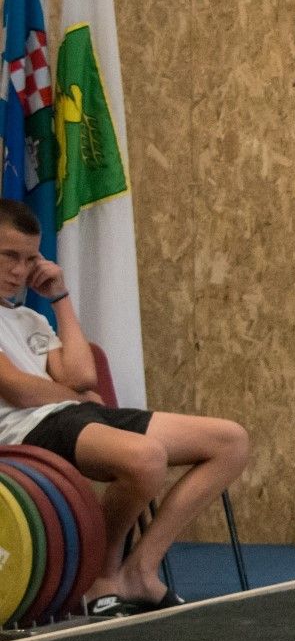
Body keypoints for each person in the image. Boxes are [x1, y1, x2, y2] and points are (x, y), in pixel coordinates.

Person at [0, 200, 251, 616]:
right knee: (146, 458)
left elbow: (82, 377)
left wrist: (59, 298)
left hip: (73, 416)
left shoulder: (30, 320)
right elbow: (19, 390)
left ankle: (138, 572)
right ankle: (100, 577)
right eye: (9, 256)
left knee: (230, 442)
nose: (19, 271)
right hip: (23, 431)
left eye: (30, 260)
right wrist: (74, 396)